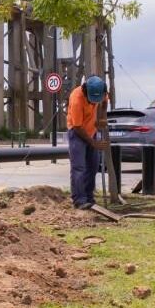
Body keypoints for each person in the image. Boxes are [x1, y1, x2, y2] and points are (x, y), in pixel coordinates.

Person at [66, 75, 109, 209]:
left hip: (92, 131)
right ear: (85, 91)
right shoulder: (76, 99)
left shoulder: (102, 92)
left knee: (93, 165)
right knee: (79, 167)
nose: (92, 103)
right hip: (77, 133)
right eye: (91, 100)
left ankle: (89, 197)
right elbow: (78, 126)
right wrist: (93, 143)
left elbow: (104, 102)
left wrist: (102, 117)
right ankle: (79, 200)